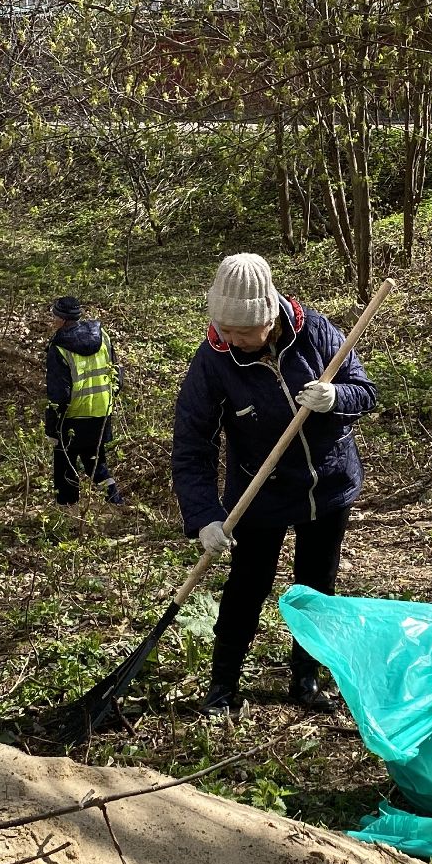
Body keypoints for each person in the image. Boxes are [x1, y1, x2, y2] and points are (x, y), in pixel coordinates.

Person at [172, 253, 376, 714]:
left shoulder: (318, 332)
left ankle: (305, 679)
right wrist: (204, 517)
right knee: (248, 586)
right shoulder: (213, 361)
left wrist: (335, 397)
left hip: (328, 486)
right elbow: (191, 447)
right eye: (224, 329)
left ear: (269, 317)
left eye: (242, 331)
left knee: (316, 587)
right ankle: (223, 686)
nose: (232, 340)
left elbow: (366, 392)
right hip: (258, 493)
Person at [44, 295, 124, 507]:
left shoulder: (58, 347)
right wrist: (110, 397)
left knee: (65, 466)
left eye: (54, 315)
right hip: (101, 412)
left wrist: (52, 428)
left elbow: (59, 394)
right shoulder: (102, 335)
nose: (52, 319)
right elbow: (117, 373)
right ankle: (116, 503)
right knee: (96, 462)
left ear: (62, 319)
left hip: (72, 417)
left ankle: (66, 513)